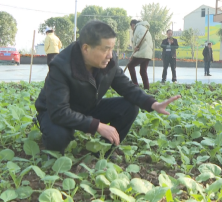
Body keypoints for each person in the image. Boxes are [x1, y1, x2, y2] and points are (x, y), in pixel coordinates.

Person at [35, 20, 180, 156]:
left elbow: (127, 87)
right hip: (56, 111)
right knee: (58, 137)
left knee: (130, 107)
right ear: (86, 48)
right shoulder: (60, 66)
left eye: (112, 49)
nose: (110, 55)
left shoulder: (109, 61)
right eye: (106, 49)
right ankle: (51, 137)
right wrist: (97, 126)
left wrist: (153, 104)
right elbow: (59, 111)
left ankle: (102, 152)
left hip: (88, 106)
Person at [127, 19, 153, 90]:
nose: (132, 29)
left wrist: (136, 46)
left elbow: (141, 38)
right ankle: (146, 88)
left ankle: (135, 84)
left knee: (130, 65)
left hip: (142, 52)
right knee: (143, 71)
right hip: (147, 52)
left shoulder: (139, 27)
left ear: (133, 25)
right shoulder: (144, 27)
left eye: (131, 27)